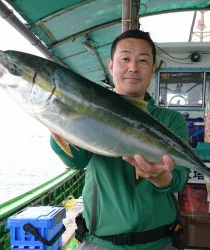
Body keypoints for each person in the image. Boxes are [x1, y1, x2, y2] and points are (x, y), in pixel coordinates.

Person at [50, 29, 189, 250]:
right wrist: (58, 120)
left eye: (143, 60)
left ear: (153, 69)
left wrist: (163, 179)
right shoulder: (90, 108)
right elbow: (76, 161)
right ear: (111, 65)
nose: (133, 67)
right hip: (100, 243)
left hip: (161, 243)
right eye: (125, 59)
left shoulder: (170, 120)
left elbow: (181, 176)